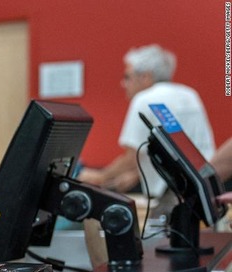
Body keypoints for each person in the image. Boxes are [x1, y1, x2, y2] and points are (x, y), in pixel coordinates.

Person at [78, 44, 215, 207]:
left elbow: (131, 156)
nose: (123, 83)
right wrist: (137, 173)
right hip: (207, 184)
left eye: (127, 77)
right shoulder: (189, 94)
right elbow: (177, 146)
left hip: (172, 194)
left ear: (146, 77)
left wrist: (100, 176)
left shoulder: (144, 99)